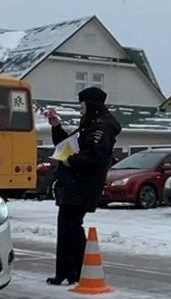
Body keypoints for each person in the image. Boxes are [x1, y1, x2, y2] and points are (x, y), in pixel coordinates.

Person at [45, 86, 120, 285]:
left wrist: (72, 161)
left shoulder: (101, 127)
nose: (81, 109)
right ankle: (69, 272)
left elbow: (95, 156)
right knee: (68, 228)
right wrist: (56, 127)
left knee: (71, 227)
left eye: (83, 105)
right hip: (73, 184)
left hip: (82, 186)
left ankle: (75, 271)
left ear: (92, 104)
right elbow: (69, 146)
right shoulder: (90, 124)